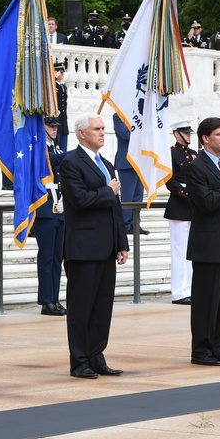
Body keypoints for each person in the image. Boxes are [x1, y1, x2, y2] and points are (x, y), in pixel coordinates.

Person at [59, 114, 129, 378]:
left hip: (106, 246)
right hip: (83, 246)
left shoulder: (107, 164)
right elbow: (78, 199)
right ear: (81, 134)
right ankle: (79, 360)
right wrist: (107, 191)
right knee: (81, 307)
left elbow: (115, 207)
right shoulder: (71, 163)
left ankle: (96, 355)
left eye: (103, 129)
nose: (102, 133)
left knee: (102, 306)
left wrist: (121, 243)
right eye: (97, 129)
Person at [186, 117, 220, 366]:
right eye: (219, 134)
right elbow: (206, 202)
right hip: (208, 246)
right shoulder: (196, 167)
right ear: (205, 139)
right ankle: (201, 350)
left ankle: (218, 346)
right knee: (206, 301)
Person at [36, 116, 67, 316]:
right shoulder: (39, 148)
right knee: (46, 257)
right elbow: (49, 163)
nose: (54, 129)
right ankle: (46, 300)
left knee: (57, 258)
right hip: (45, 209)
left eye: (56, 126)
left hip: (59, 208)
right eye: (50, 125)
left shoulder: (55, 148)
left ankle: (54, 298)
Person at [165, 120, 197, 305]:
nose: (189, 136)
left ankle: (191, 288)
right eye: (186, 133)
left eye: (190, 133)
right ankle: (179, 292)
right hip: (179, 206)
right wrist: (187, 193)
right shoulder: (171, 153)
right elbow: (171, 182)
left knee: (191, 251)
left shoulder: (194, 154)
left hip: (193, 208)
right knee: (179, 251)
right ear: (177, 134)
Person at [113, 113, 147, 234]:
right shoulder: (119, 116)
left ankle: (135, 224)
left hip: (140, 160)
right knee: (128, 196)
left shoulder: (140, 116)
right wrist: (142, 129)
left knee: (138, 196)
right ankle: (126, 224)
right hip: (127, 161)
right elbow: (125, 134)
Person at [53, 61, 70, 152]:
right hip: (56, 119)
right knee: (57, 146)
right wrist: (53, 78)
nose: (62, 74)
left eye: (63, 72)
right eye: (60, 72)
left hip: (63, 120)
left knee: (64, 147)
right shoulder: (52, 85)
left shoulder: (64, 87)